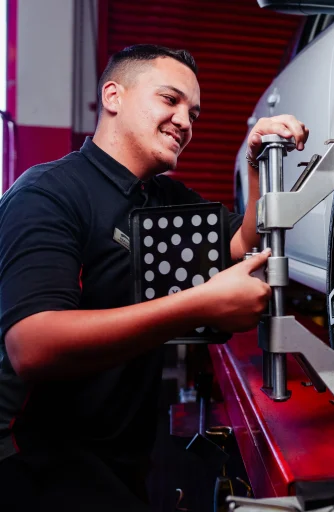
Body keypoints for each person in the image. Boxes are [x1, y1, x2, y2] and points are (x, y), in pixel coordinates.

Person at [0, 44, 309, 510]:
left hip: (121, 459)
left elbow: (239, 247)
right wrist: (199, 303)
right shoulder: (49, 194)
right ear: (113, 96)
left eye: (193, 112)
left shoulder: (159, 197)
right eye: (170, 100)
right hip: (38, 466)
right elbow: (32, 345)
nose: (185, 121)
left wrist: (256, 161)